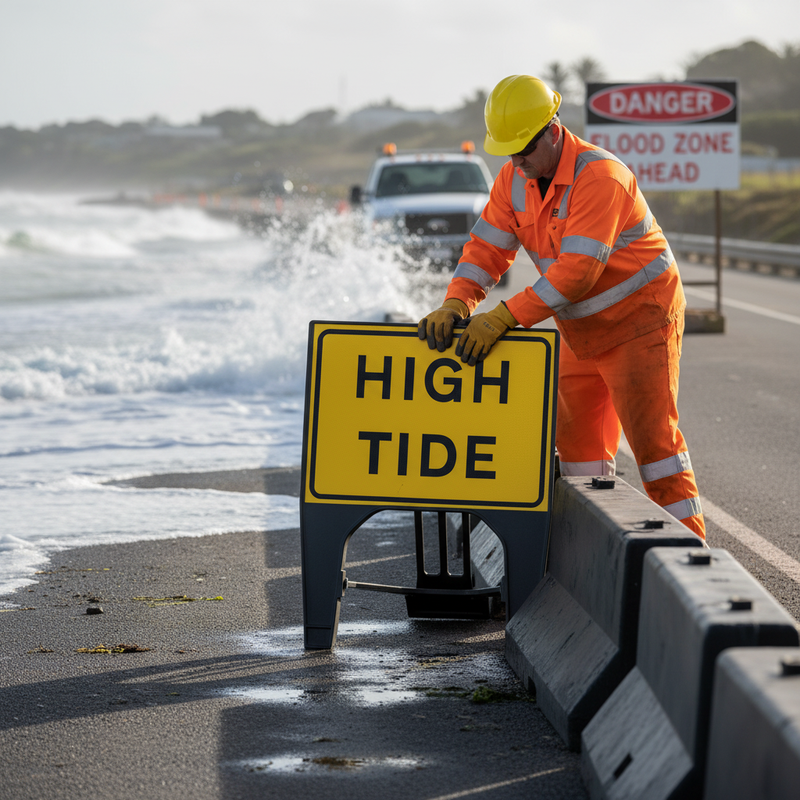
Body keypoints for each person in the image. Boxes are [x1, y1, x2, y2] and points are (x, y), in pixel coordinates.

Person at [417, 74, 705, 539]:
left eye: (525, 150)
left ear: (553, 130)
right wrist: (455, 303)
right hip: (582, 328)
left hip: (640, 323)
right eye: (508, 151)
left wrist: (503, 317)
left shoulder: (600, 177)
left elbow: (578, 271)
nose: (517, 161)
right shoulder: (515, 178)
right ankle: (598, 551)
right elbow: (486, 250)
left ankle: (693, 555)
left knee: (657, 454)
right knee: (578, 456)